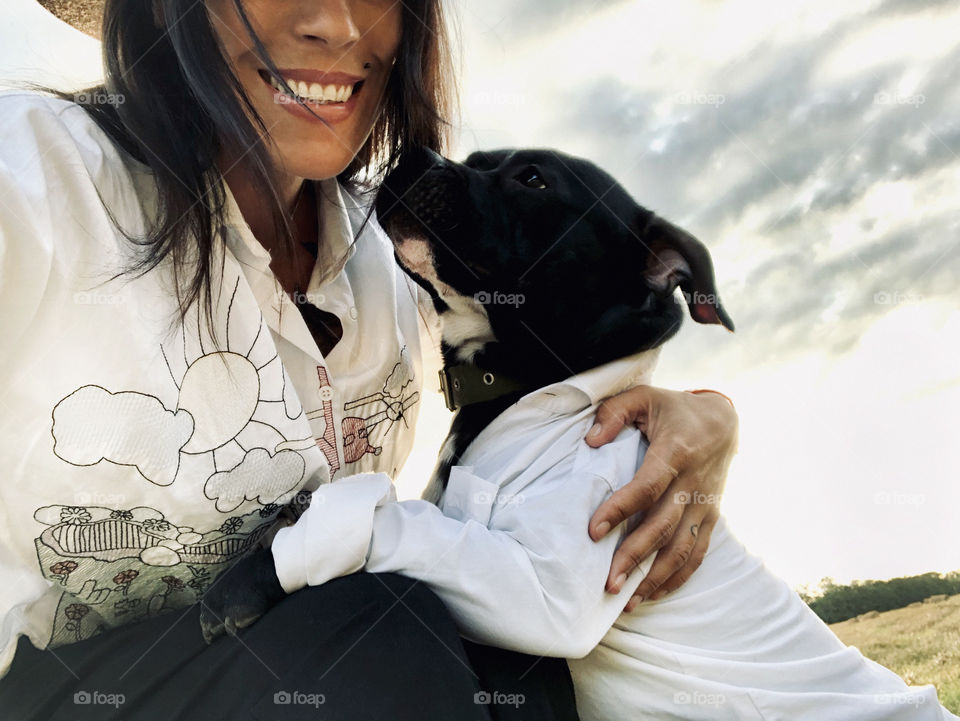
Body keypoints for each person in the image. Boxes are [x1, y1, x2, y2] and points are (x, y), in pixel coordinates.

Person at [0, 2, 739, 719]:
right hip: (50, 685)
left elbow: (548, 350)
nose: (339, 22)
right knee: (382, 630)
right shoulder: (36, 178)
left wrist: (698, 413)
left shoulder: (390, 257)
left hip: (293, 659)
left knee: (508, 648)